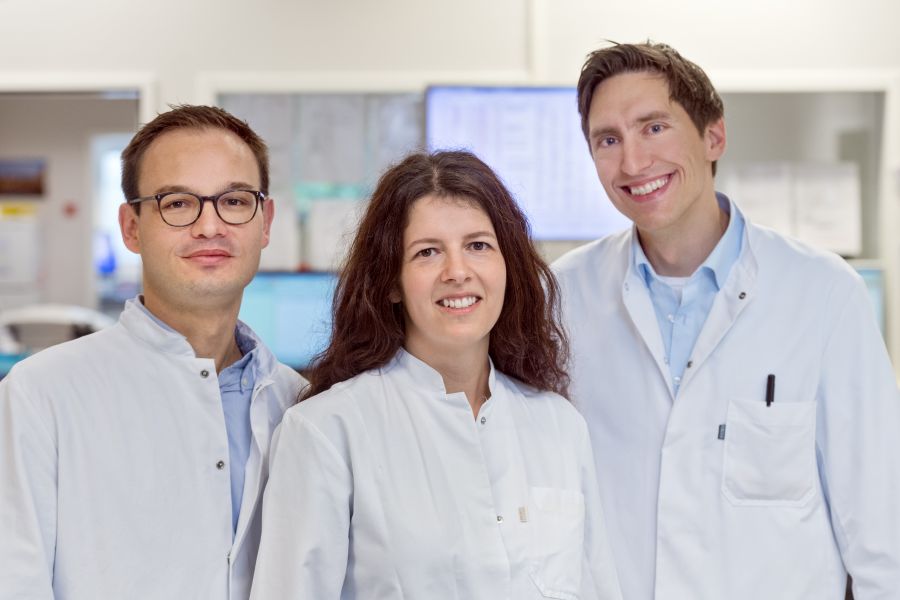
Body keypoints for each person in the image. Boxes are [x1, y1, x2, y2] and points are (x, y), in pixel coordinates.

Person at [552, 41, 900, 599]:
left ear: (714, 136)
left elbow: (883, 530)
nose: (632, 162)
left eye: (654, 128)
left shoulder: (826, 294)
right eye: (607, 140)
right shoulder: (562, 297)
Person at [249, 150, 622, 600]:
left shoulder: (559, 425)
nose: (458, 272)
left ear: (509, 267)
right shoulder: (329, 430)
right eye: (427, 252)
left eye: (478, 246)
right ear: (390, 281)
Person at [0, 105, 306, 599]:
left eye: (234, 200)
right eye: (178, 203)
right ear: (131, 228)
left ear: (264, 222)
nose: (210, 226)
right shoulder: (40, 397)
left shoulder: (301, 404)